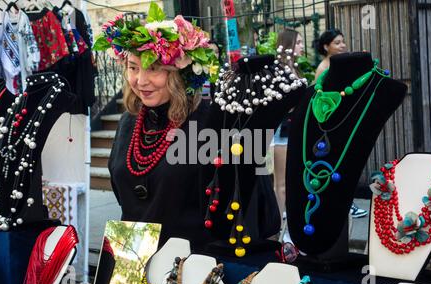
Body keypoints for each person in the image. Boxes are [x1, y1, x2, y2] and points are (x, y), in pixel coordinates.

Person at [93, 3, 306, 252]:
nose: (140, 81)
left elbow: (236, 200)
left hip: (190, 267)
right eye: (132, 67)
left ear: (179, 72)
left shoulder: (209, 122)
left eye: (153, 69)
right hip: (131, 260)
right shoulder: (129, 121)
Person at [313, 29, 368, 219]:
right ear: (326, 46)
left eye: (343, 42)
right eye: (337, 43)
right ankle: (345, 206)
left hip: (341, 122)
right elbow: (320, 101)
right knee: (337, 166)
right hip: (331, 125)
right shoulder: (324, 68)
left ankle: (345, 205)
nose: (343, 46)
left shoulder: (339, 64)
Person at [271, 29, 304, 236]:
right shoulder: (280, 70)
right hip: (281, 131)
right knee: (281, 183)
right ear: (289, 45)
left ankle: (287, 226)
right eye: (298, 42)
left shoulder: (293, 69)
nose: (301, 46)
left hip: (292, 129)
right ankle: (278, 229)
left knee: (290, 181)